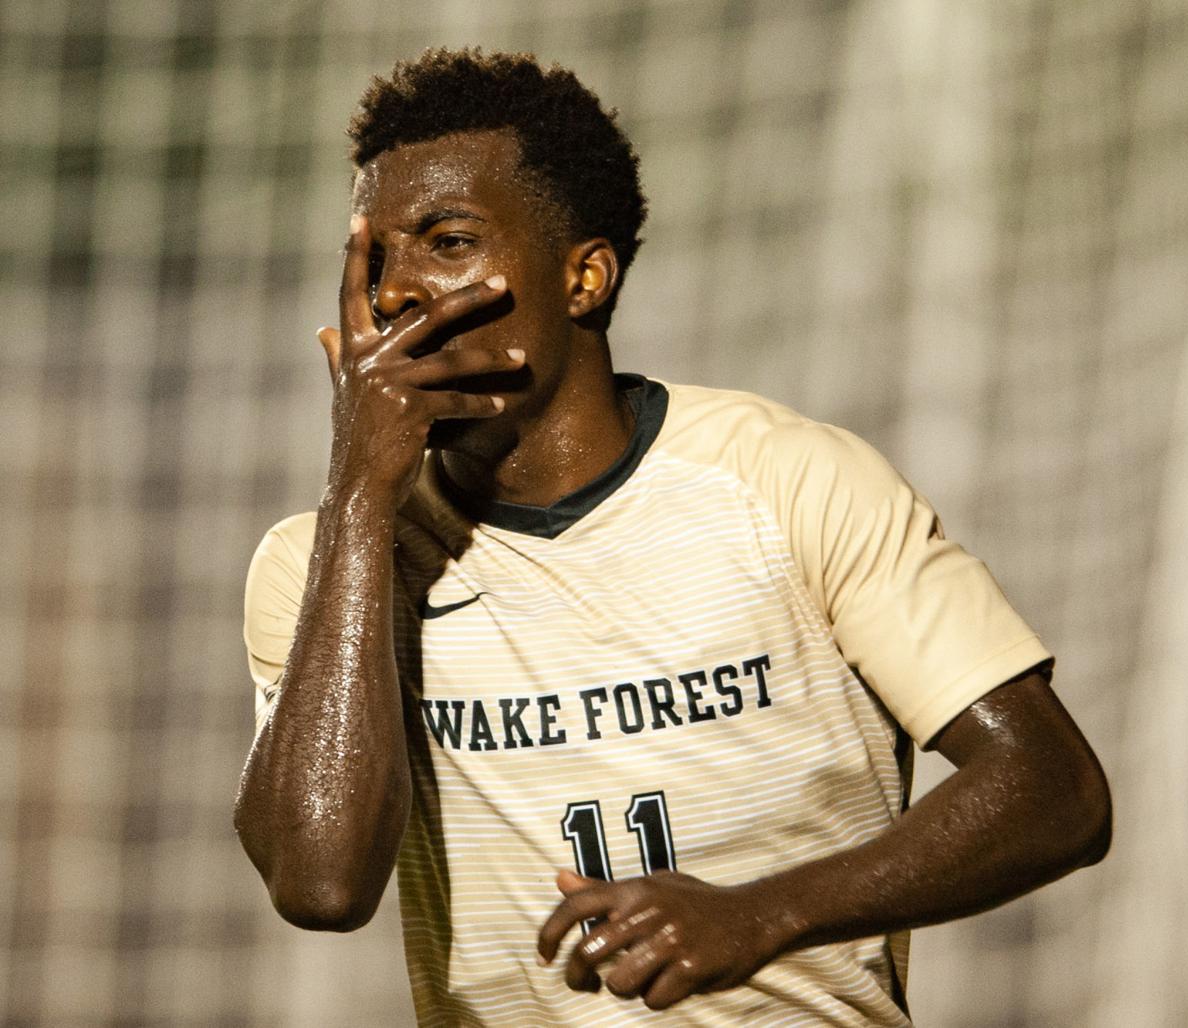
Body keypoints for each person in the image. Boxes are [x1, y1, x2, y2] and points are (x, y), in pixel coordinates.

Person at [234, 48, 1111, 1025]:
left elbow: (1054, 786)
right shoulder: (323, 567)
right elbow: (319, 885)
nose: (395, 292)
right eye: (373, 257)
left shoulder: (791, 482)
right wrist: (358, 491)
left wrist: (764, 911)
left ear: (584, 277)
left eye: (447, 241)